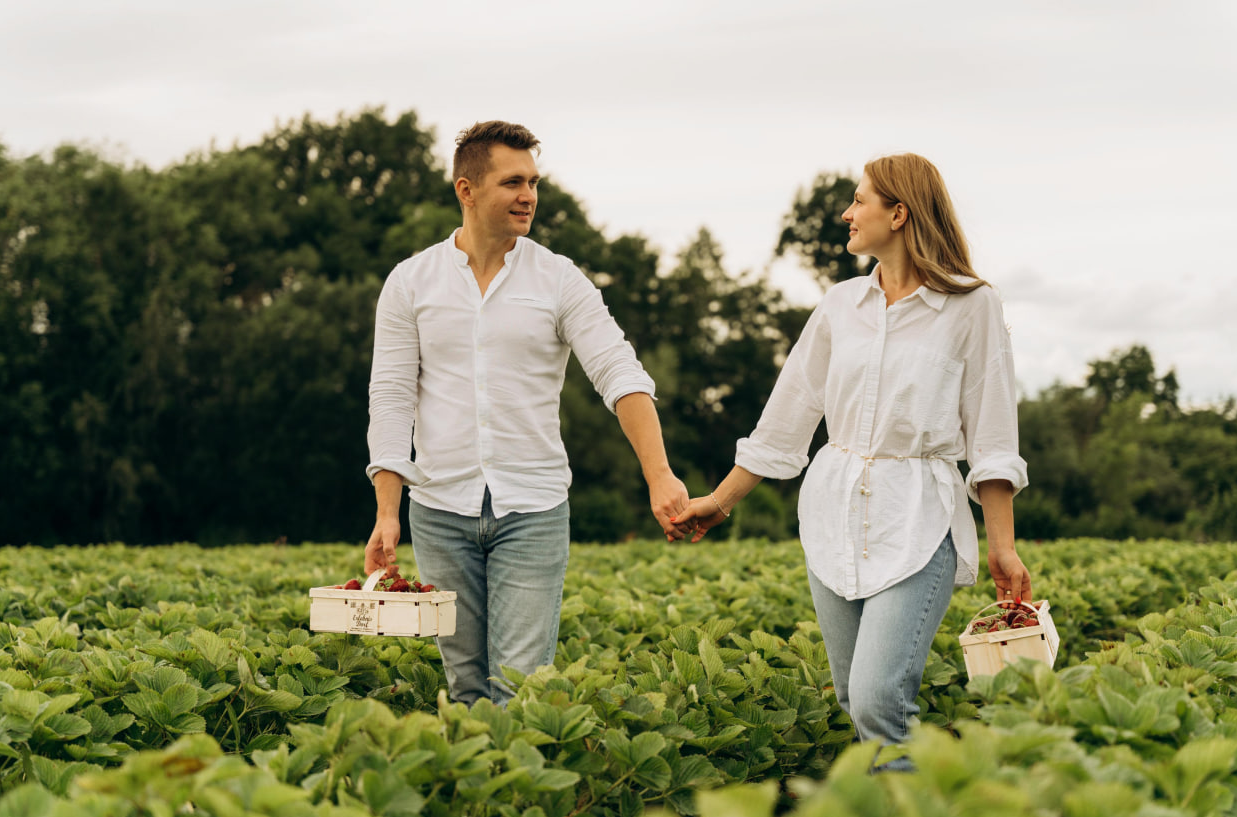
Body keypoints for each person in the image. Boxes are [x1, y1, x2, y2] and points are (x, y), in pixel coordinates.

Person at [673, 153, 1031, 771]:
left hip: (919, 520)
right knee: (851, 698)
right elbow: (785, 420)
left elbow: (993, 438)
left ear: (899, 213)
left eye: (860, 200)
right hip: (833, 516)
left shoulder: (973, 307)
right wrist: (719, 501)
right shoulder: (841, 305)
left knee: (879, 701)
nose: (847, 212)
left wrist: (1003, 545)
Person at [364, 120, 689, 707]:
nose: (529, 196)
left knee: (518, 689)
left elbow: (619, 372)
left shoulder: (559, 279)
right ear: (466, 190)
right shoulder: (411, 282)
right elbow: (390, 397)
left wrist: (659, 473)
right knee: (465, 687)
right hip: (439, 511)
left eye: (534, 182)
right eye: (513, 182)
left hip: (533, 510)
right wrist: (388, 510)